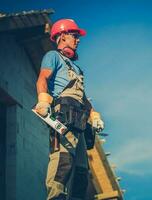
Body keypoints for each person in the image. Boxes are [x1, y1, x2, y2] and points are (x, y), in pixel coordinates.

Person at [35, 19, 104, 200]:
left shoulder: (77, 69)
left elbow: (82, 97)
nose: (78, 40)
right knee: (62, 159)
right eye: (74, 35)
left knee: (82, 169)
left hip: (79, 119)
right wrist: (43, 101)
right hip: (63, 114)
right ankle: (55, 196)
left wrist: (94, 115)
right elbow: (42, 79)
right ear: (62, 36)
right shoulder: (53, 56)